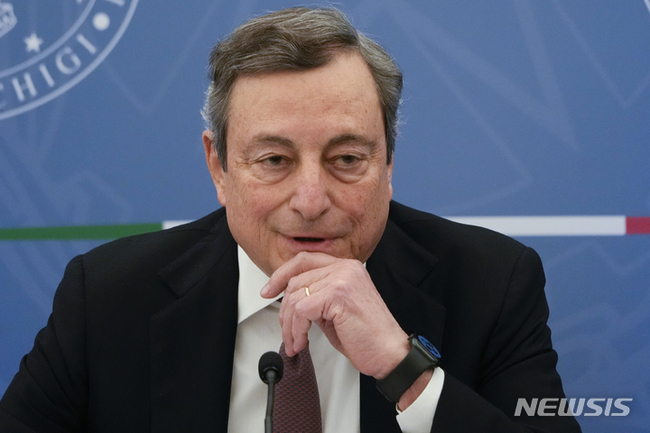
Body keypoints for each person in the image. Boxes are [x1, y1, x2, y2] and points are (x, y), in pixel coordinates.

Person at [0, 6, 581, 433]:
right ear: (219, 167)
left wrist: (405, 371)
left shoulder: (492, 283)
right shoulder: (108, 297)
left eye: (346, 159)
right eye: (274, 160)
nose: (310, 199)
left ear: (388, 163)